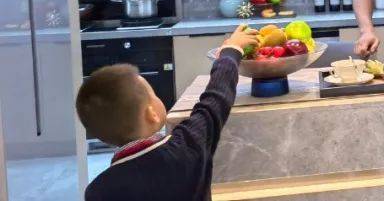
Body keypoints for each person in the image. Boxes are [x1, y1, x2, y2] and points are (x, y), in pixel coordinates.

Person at [77, 25, 259, 201]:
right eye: (153, 94)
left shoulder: (97, 191)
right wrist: (231, 50)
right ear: (152, 114)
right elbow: (216, 97)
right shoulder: (187, 146)